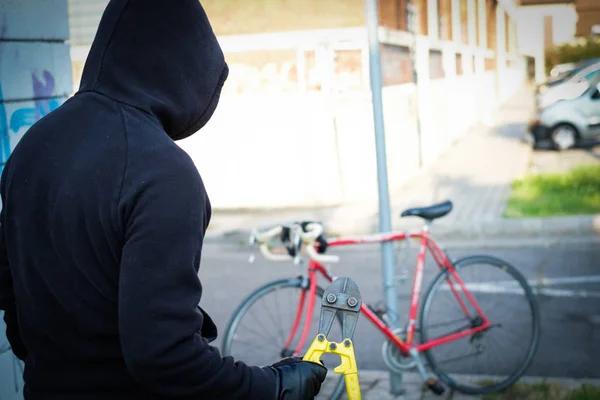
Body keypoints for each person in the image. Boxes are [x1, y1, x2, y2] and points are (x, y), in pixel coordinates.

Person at [0, 0, 327, 398]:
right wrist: (273, 387)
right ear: (189, 69)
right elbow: (165, 357)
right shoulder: (161, 171)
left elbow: (12, 289)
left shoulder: (32, 145)